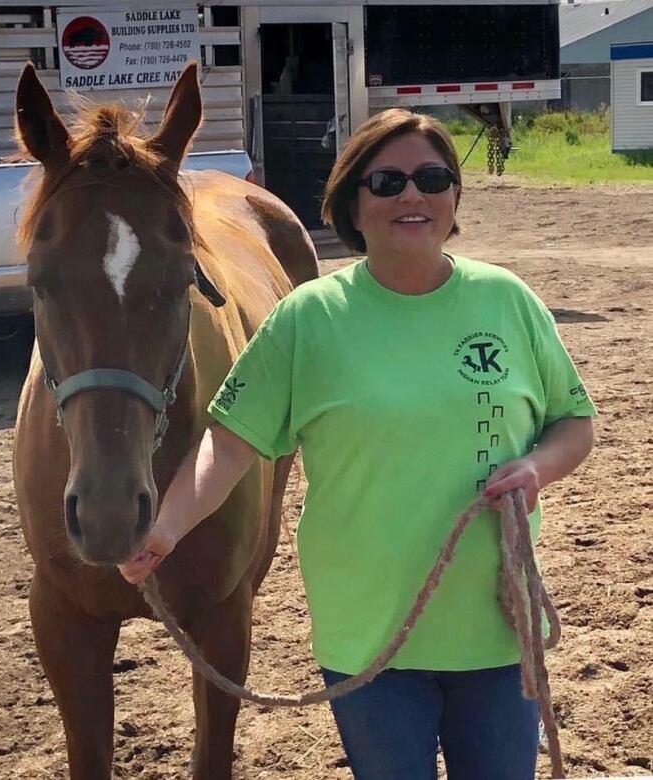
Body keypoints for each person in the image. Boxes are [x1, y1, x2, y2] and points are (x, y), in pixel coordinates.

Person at [118, 108, 596, 779]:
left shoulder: (508, 301)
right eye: (388, 181)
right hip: (368, 636)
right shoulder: (308, 319)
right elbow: (229, 445)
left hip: (495, 625)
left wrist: (536, 468)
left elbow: (575, 423)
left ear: (455, 196)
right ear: (352, 201)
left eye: (433, 178)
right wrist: (165, 527)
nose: (412, 195)